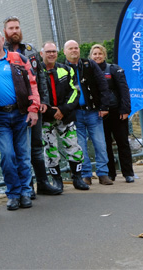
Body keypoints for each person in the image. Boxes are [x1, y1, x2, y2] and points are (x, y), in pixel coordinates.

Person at [3, 16, 61, 197]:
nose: (15, 31)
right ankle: (25, 187)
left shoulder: (31, 50)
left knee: (36, 145)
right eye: (11, 28)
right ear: (5, 31)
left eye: (17, 28)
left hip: (34, 107)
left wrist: (43, 101)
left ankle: (42, 183)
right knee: (17, 150)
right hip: (13, 109)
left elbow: (40, 77)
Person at [0, 29, 37, 210]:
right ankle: (13, 193)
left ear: (2, 39)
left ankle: (25, 192)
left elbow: (32, 84)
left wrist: (33, 108)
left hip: (21, 113)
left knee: (23, 155)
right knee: (7, 156)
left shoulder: (18, 58)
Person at [39, 41, 89, 191]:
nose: (51, 54)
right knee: (50, 149)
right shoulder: (37, 72)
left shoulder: (66, 70)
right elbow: (37, 93)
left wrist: (62, 109)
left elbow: (74, 91)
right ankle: (56, 180)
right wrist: (51, 111)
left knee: (73, 146)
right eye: (48, 52)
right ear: (42, 54)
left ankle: (77, 178)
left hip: (66, 116)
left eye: (54, 51)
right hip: (46, 118)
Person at [64, 40, 113, 185]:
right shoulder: (62, 68)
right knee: (80, 146)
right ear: (65, 51)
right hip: (75, 114)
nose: (74, 51)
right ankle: (86, 174)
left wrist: (104, 107)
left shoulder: (89, 64)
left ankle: (103, 173)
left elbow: (103, 85)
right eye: (71, 49)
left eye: (76, 48)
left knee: (100, 143)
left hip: (93, 111)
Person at [89, 44, 135, 183]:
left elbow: (124, 90)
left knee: (122, 142)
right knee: (105, 144)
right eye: (94, 54)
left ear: (104, 55)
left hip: (116, 112)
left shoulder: (114, 69)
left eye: (99, 53)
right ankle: (110, 173)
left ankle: (128, 173)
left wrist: (125, 110)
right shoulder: (89, 71)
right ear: (91, 56)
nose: (97, 56)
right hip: (99, 113)